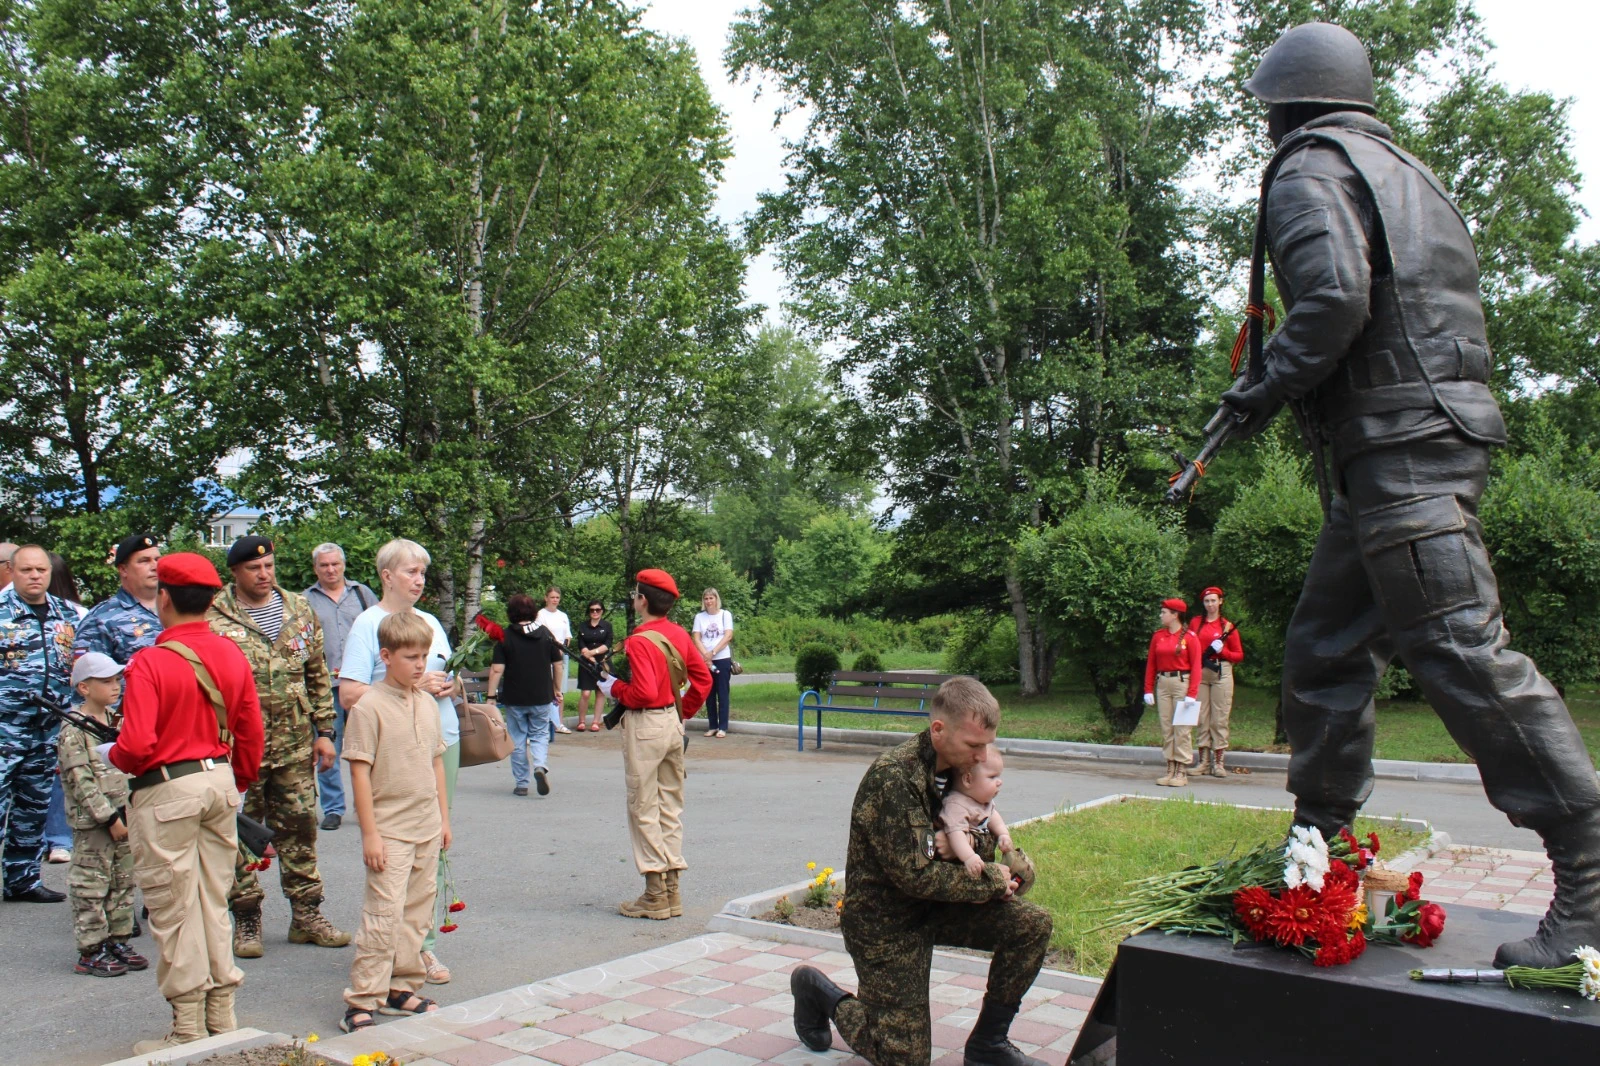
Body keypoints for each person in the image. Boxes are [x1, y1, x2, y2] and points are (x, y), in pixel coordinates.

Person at [1211, 21, 1600, 969]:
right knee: (1325, 648)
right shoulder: (1406, 173)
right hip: (1403, 448)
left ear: (1285, 104)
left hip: (1399, 451)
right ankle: (1323, 848)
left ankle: (1591, 874)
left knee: (1462, 651)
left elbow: (1336, 298)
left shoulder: (1310, 167)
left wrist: (1263, 388)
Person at [788, 677, 1050, 1066]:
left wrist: (974, 848)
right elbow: (918, 876)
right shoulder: (894, 778)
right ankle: (820, 994)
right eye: (974, 745)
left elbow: (980, 834)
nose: (981, 757)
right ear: (939, 730)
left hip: (938, 906)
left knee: (1032, 925)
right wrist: (994, 878)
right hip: (886, 923)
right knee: (905, 1058)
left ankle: (988, 1045)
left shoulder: (959, 770)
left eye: (986, 745)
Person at [108, 552, 264, 1053]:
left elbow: (134, 748)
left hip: (166, 791)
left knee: (174, 910)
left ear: (165, 598)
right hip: (220, 783)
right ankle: (223, 1016)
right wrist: (234, 781)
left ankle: (189, 1027)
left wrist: (110, 751)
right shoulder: (231, 653)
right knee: (213, 903)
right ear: (214, 599)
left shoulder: (151, 660)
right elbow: (250, 733)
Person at [210, 535, 349, 956]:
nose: (264, 574)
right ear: (235, 572)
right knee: (238, 833)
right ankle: (247, 918)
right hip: (239, 749)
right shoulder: (215, 615)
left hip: (293, 743)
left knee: (301, 829)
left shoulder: (297, 608)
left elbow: (317, 673)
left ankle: (307, 915)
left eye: (269, 566)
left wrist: (325, 732)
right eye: (254, 569)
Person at [339, 538, 458, 984]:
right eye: (410, 571)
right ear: (386, 575)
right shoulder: (369, 625)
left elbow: (445, 673)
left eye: (423, 572)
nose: (419, 579)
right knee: (396, 858)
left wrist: (447, 685)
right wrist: (407, 689)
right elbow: (350, 692)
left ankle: (418, 948)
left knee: (433, 849)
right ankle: (394, 956)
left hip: (437, 738)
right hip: (391, 751)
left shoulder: (428, 621)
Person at [596, 569, 711, 919]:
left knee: (643, 806)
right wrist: (681, 713)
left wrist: (613, 687)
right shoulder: (677, 633)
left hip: (645, 727)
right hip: (671, 725)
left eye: (635, 594)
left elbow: (642, 692)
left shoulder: (640, 640)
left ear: (642, 600)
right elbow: (702, 680)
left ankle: (654, 893)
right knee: (670, 807)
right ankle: (673, 890)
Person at [59, 652, 145, 977]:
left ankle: (118, 939)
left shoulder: (116, 722)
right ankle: (91, 949)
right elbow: (81, 781)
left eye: (116, 680)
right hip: (96, 822)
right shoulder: (73, 730)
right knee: (91, 885)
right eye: (106, 681)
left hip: (125, 813)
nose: (115, 686)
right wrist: (110, 819)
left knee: (123, 881)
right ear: (83, 687)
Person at [0, 545, 76, 903]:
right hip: (4, 727)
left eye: (41, 570)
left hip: (46, 727)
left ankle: (23, 880)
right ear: (11, 571)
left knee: (33, 806)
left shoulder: (69, 615)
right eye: (27, 570)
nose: (35, 576)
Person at [304, 543, 378, 832]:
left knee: (369, 744)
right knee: (328, 747)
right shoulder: (305, 600)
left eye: (335, 564)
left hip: (362, 683)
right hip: (324, 685)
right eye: (324, 565)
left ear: (343, 565)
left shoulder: (361, 594)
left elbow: (381, 629)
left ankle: (369, 805)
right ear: (315, 569)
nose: (330, 570)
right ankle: (334, 808)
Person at [486, 593, 565, 797]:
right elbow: (557, 664)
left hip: (515, 698)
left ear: (511, 613)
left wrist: (491, 696)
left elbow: (496, 669)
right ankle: (540, 765)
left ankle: (522, 783)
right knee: (539, 735)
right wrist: (557, 688)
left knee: (518, 739)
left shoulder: (505, 636)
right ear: (533, 612)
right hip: (541, 695)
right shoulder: (545, 633)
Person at [75, 534, 162, 666]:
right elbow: (87, 678)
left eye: (157, 560)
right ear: (123, 569)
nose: (155, 566)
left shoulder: (177, 606)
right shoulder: (101, 619)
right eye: (144, 561)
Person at [1143, 597, 1201, 788]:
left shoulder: (1190, 638)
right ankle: (1170, 768)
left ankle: (1181, 770)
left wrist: (1192, 693)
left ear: (1175, 615)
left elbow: (1196, 668)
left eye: (1164, 612)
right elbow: (1151, 663)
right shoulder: (1158, 636)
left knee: (1182, 729)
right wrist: (1148, 688)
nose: (1161, 615)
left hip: (1181, 682)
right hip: (1163, 683)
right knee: (1167, 727)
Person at [1187, 587, 1244, 777]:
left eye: (1213, 600)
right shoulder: (1196, 623)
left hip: (1221, 671)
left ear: (1221, 602)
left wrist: (1222, 652)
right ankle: (1203, 761)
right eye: (1207, 601)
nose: (1210, 604)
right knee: (1202, 717)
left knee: (1219, 717)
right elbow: (1189, 645)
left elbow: (1238, 655)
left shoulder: (1228, 627)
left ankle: (1218, 762)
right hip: (1201, 671)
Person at [939, 747, 1012, 878]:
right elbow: (956, 834)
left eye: (999, 776)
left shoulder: (982, 801)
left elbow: (993, 816)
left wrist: (1003, 834)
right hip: (964, 870)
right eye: (992, 777)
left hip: (981, 866)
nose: (999, 782)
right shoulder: (956, 805)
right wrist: (969, 857)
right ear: (968, 779)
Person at [692, 588, 734, 738]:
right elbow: (696, 637)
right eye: (706, 598)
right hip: (705, 660)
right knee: (709, 693)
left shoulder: (725, 615)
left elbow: (728, 636)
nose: (709, 601)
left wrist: (713, 652)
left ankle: (723, 727)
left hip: (721, 658)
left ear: (716, 599)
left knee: (722, 692)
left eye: (711, 598)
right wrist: (705, 655)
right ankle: (712, 725)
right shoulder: (699, 617)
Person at [535, 586, 574, 733]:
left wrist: (562, 647)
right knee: (547, 688)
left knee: (560, 689)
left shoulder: (563, 615)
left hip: (561, 654)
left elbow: (567, 636)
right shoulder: (541, 614)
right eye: (552, 597)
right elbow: (540, 635)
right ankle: (544, 721)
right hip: (546, 655)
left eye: (557, 597)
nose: (555, 600)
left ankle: (559, 722)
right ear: (546, 598)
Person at [573, 600, 613, 732]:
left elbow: (607, 644)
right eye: (592, 610)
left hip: (603, 662)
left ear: (602, 611)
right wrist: (589, 656)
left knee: (600, 692)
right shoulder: (583, 626)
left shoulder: (607, 626)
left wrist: (593, 653)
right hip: (586, 662)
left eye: (597, 609)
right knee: (585, 693)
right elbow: (581, 644)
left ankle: (596, 722)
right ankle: (582, 721)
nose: (595, 612)